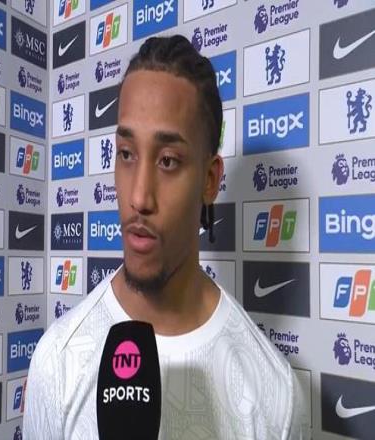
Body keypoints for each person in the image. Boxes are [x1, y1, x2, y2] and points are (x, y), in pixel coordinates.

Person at [24, 35, 310, 439]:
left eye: (168, 161)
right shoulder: (58, 360)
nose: (139, 197)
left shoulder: (276, 395)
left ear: (209, 180)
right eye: (126, 153)